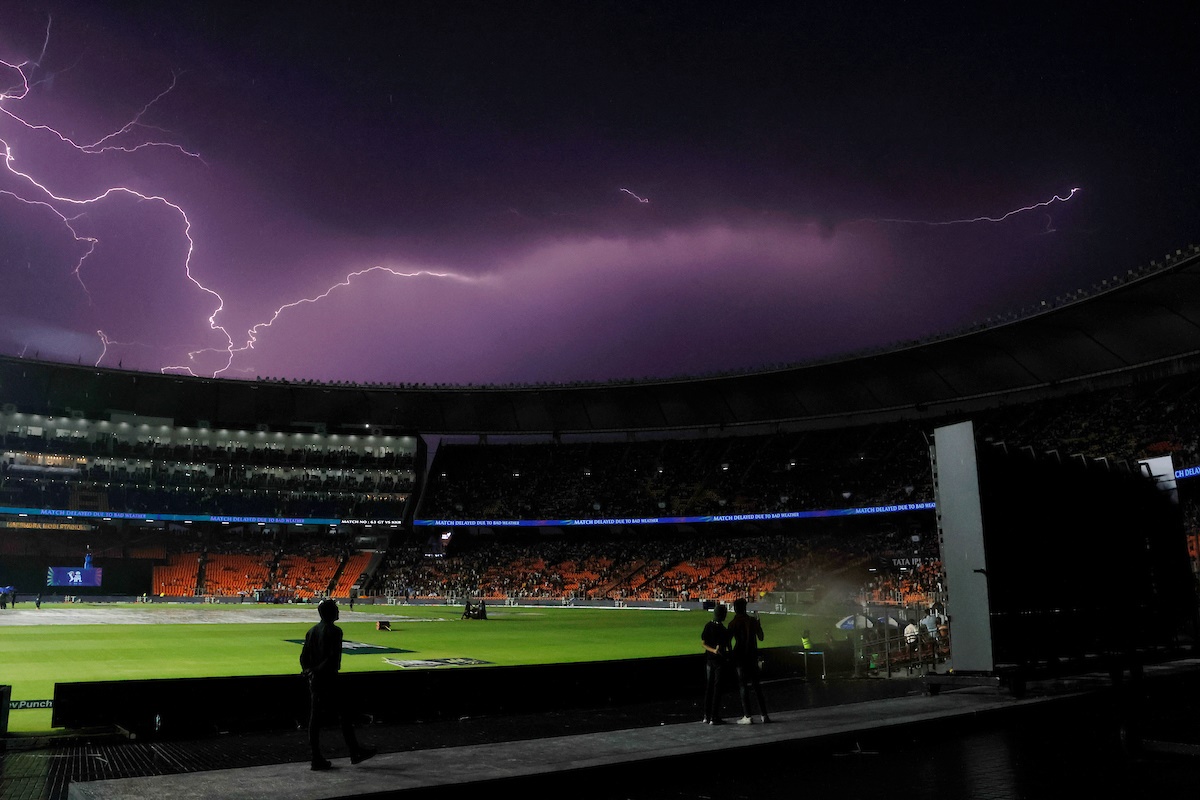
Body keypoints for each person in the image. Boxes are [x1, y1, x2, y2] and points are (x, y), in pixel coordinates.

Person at [300, 599, 375, 771]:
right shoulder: (334, 631)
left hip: (316, 681)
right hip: (329, 679)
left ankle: (317, 757)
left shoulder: (311, 631)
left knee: (316, 720)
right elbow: (332, 658)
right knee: (344, 715)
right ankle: (354, 752)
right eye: (335, 609)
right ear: (329, 613)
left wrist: (308, 671)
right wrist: (318, 670)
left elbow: (303, 658)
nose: (338, 611)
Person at [727, 598, 769, 724]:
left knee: (743, 686)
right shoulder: (752, 621)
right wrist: (759, 625)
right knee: (757, 686)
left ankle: (747, 716)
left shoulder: (733, 623)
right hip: (752, 656)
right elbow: (761, 638)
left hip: (740, 657)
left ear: (735, 609)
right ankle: (764, 715)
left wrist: (730, 653)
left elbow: (728, 641)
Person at [700, 604, 731, 724]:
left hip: (709, 661)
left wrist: (712, 650)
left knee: (709, 689)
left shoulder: (708, 625)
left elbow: (703, 643)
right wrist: (717, 651)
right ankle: (714, 717)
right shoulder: (723, 630)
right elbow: (727, 647)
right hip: (719, 663)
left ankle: (706, 716)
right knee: (717, 689)